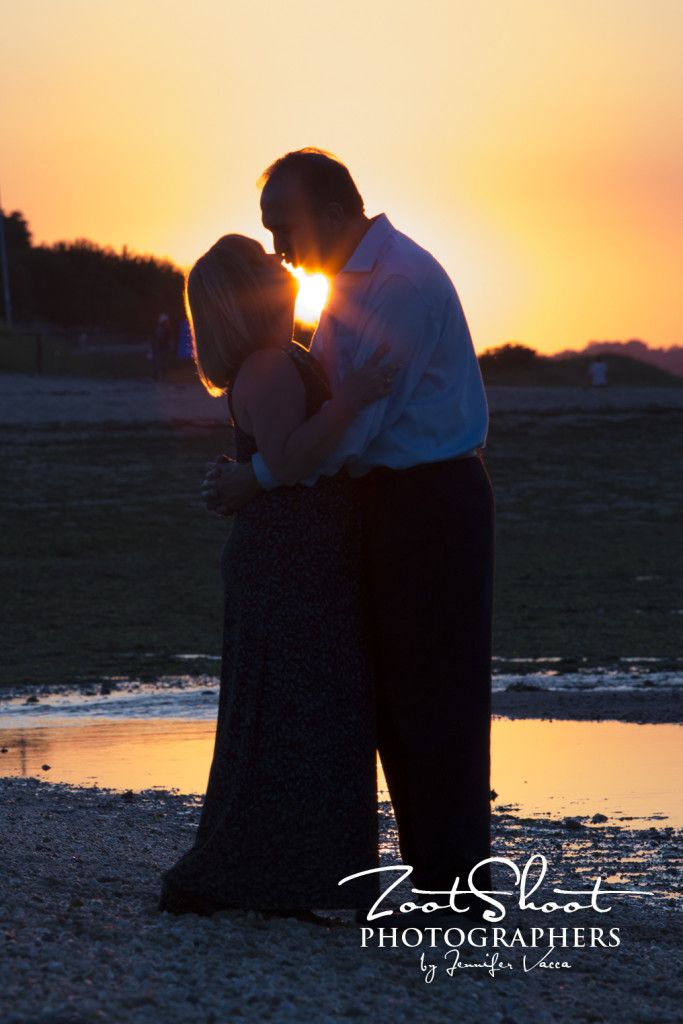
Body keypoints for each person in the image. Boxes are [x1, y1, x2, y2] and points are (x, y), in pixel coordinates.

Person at [204, 150, 495, 921]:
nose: (277, 249)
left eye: (283, 227)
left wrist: (257, 477)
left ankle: (453, 890)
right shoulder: (345, 287)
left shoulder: (394, 285)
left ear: (332, 212)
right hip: (384, 503)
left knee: (433, 693)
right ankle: (433, 879)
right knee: (394, 696)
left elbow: (348, 429)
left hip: (427, 500)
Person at [160, 234, 397, 919]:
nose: (280, 262)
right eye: (262, 265)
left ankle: (300, 878)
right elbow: (290, 460)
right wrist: (348, 401)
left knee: (313, 718)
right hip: (285, 564)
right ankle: (270, 877)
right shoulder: (266, 366)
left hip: (300, 559)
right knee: (295, 719)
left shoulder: (282, 357)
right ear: (244, 295)